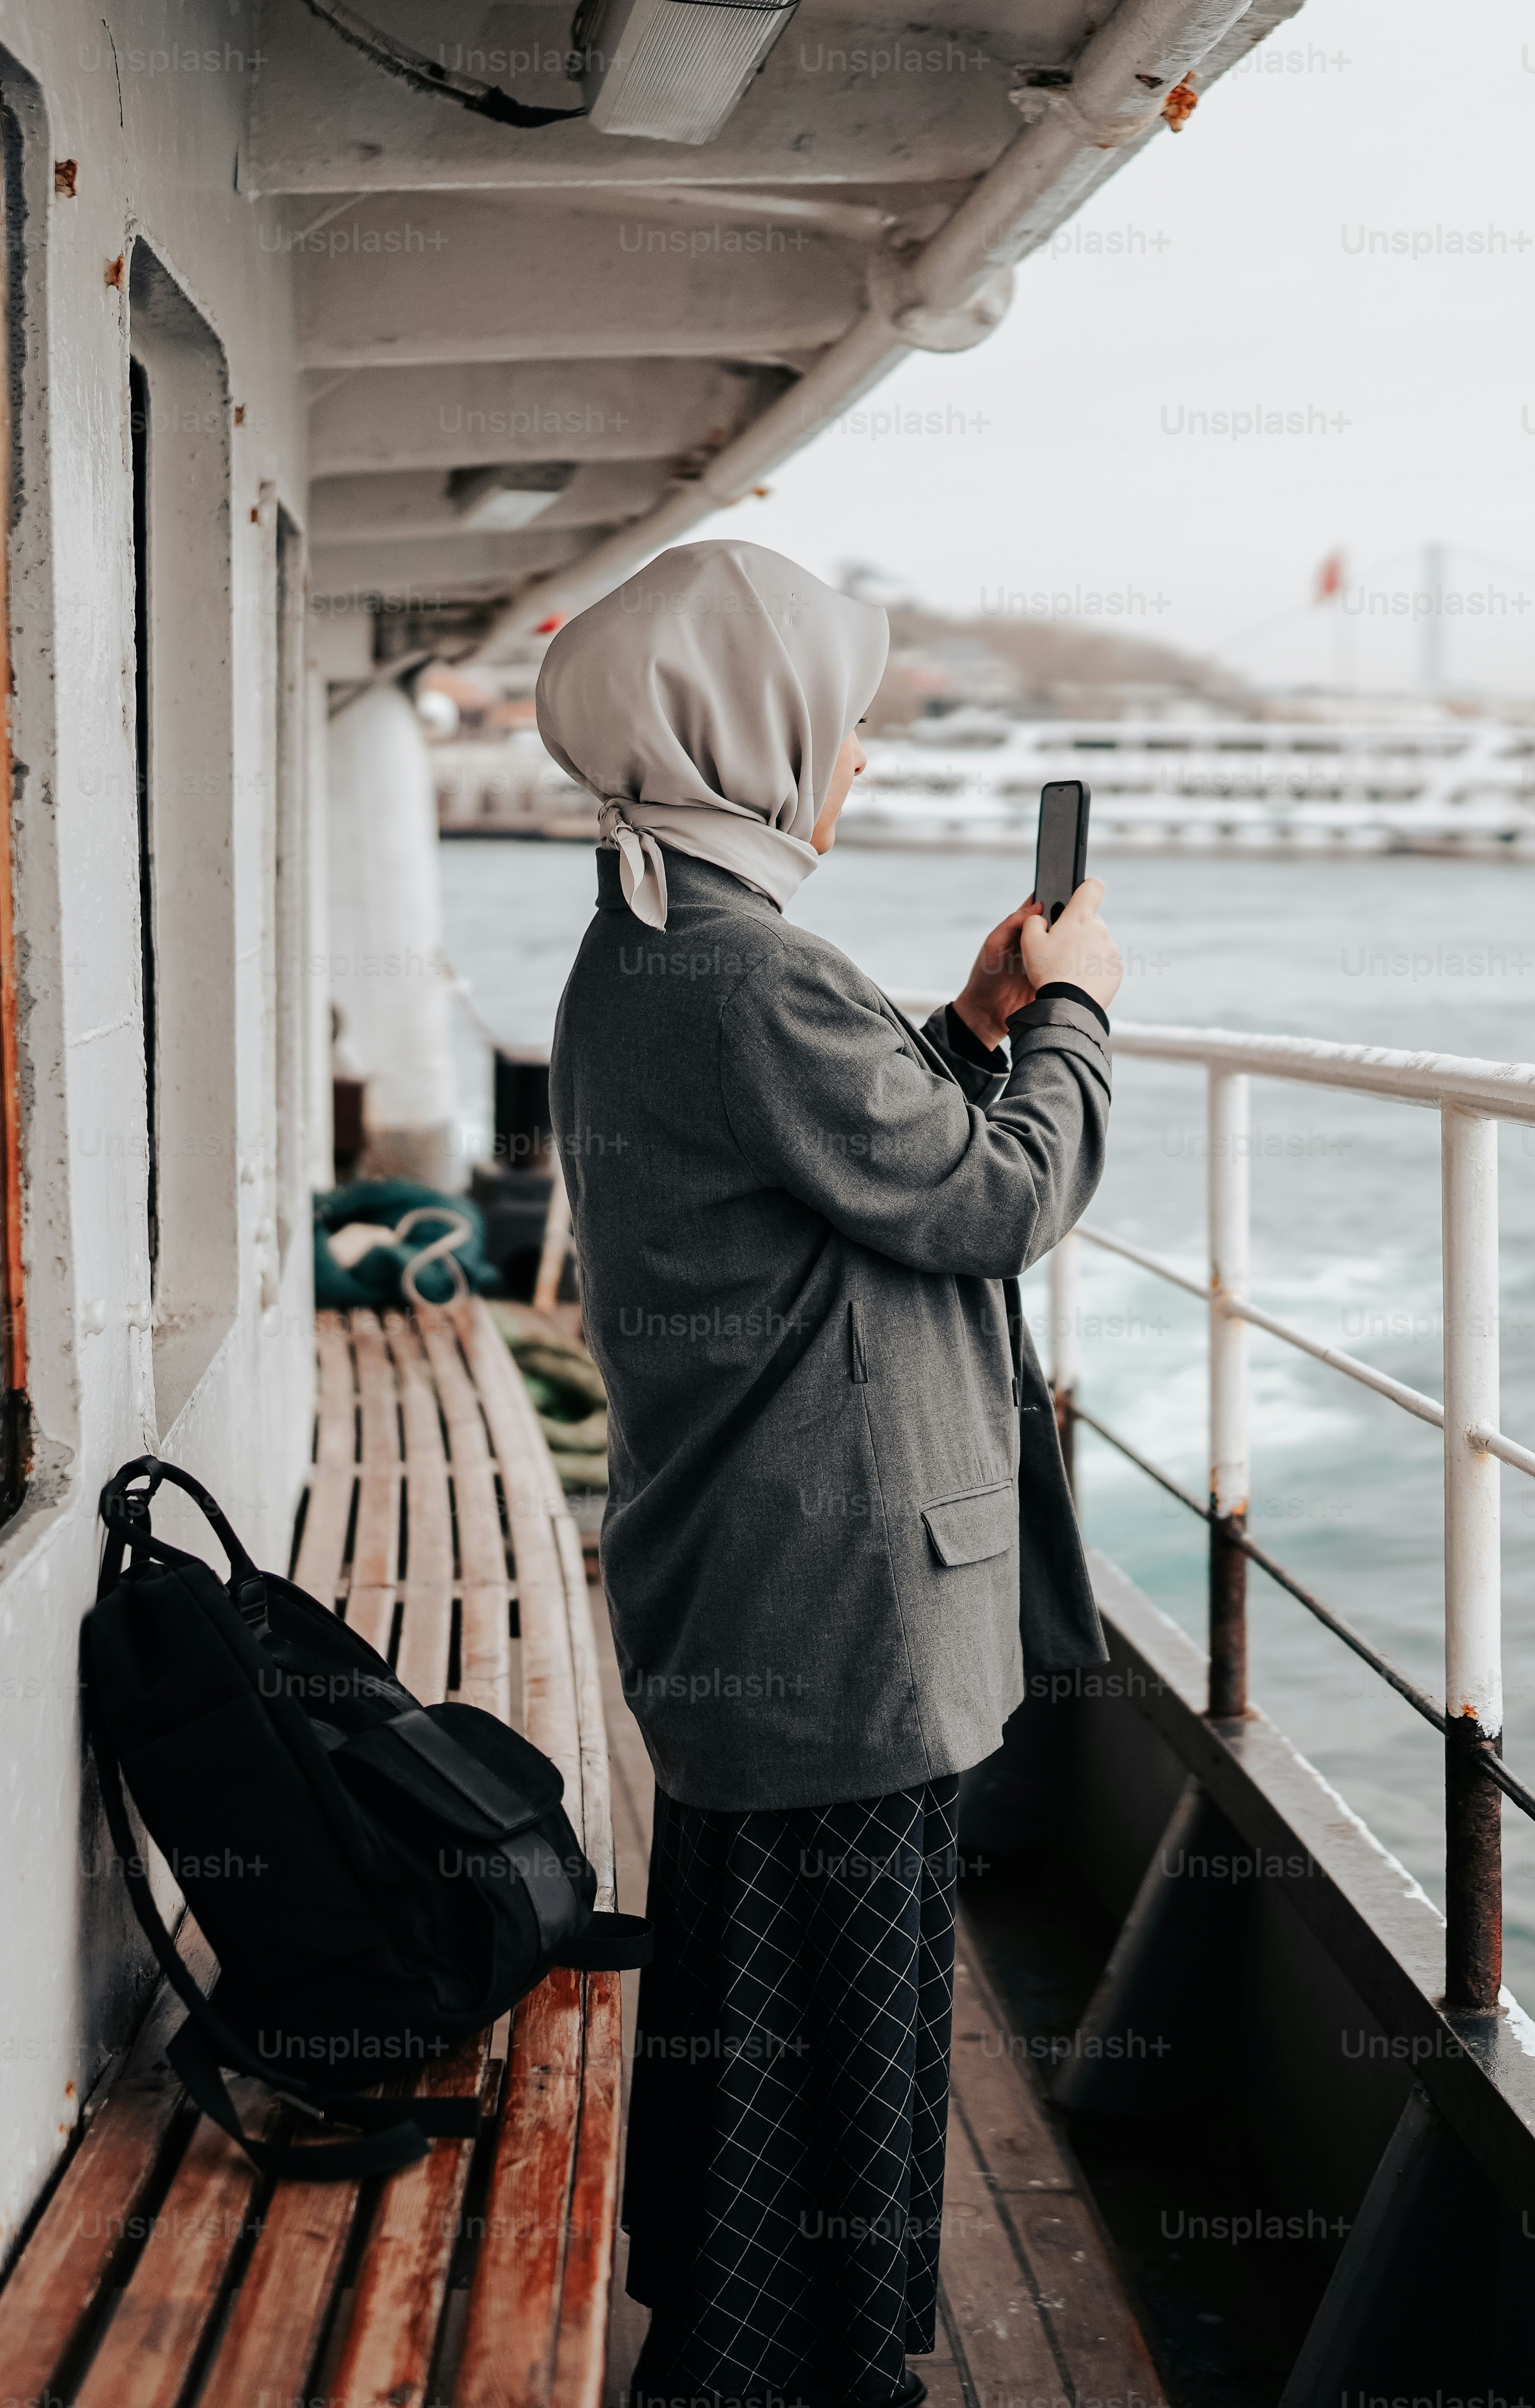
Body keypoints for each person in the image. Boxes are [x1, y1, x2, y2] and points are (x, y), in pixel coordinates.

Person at [540, 541, 1124, 2408]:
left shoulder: (653, 948)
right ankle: (818, 2374)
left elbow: (833, 1167)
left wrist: (965, 1031)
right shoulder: (753, 975)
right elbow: (994, 1197)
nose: (857, 758)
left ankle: (732, 2351)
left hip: (749, 1599)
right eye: (845, 725)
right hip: (841, 1618)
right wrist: (1079, 1017)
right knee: (854, 2047)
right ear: (755, 738)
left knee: (757, 2035)